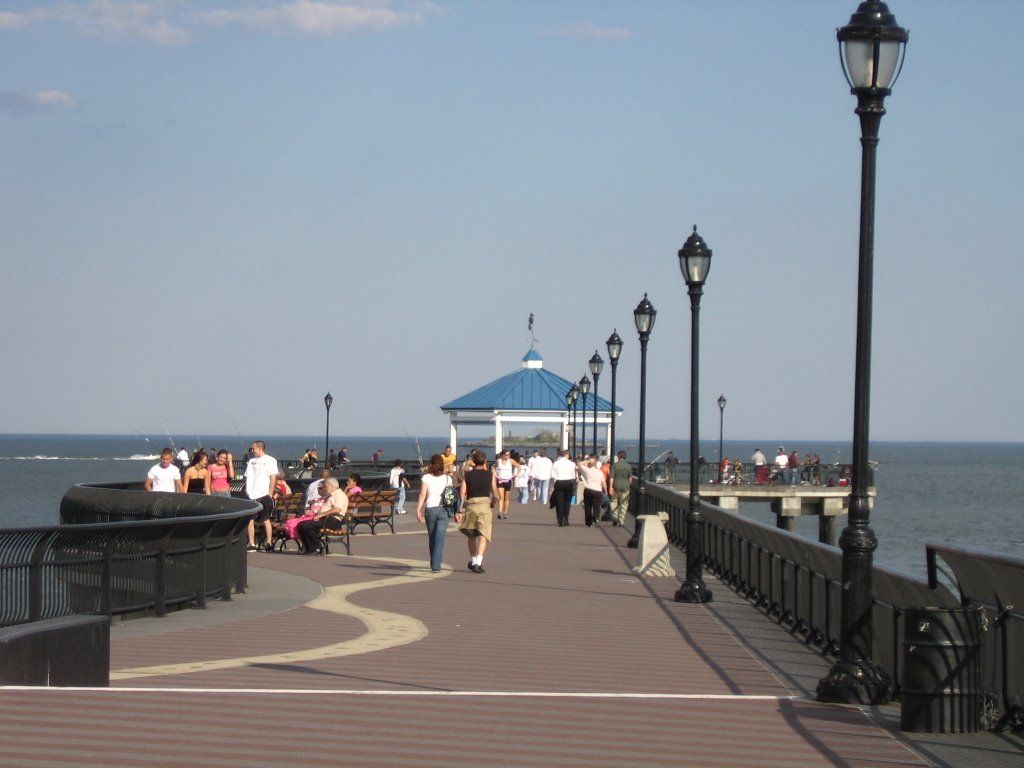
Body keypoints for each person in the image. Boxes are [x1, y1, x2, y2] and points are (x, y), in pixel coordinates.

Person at [457, 450, 496, 573]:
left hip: (471, 506)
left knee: (471, 535)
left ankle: (473, 560)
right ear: (485, 461)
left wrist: (460, 510)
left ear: (473, 462)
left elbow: (462, 493)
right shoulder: (490, 475)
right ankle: (479, 562)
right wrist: (493, 502)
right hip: (485, 506)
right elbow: (495, 492)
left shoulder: (467, 475)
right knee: (484, 535)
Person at [416, 454, 454, 573]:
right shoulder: (448, 478)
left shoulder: (426, 478)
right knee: (439, 538)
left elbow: (423, 494)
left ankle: (434, 563)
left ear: (431, 464)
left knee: (432, 537)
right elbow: (451, 495)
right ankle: (436, 565)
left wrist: (418, 509)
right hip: (444, 509)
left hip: (430, 509)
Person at [296, 477, 349, 555]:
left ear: (331, 486)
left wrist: (321, 514)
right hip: (326, 519)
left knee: (305, 526)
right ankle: (310, 548)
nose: (325, 488)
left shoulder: (339, 495)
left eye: (326, 486)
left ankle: (316, 547)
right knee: (301, 525)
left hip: (333, 521)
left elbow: (337, 509)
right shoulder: (331, 495)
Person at [244, 440, 279, 552]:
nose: (252, 450)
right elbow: (247, 476)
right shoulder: (251, 461)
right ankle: (252, 542)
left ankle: (269, 542)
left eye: (253, 448)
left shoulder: (270, 460)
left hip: (264, 493)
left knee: (266, 518)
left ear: (259, 448)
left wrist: (270, 493)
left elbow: (273, 477)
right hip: (251, 494)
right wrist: (247, 490)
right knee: (250, 519)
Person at [577, 454, 607, 527]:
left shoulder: (587, 470)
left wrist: (587, 461)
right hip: (597, 491)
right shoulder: (600, 472)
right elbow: (603, 482)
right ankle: (595, 517)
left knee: (588, 507)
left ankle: (588, 523)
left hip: (588, 490)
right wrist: (605, 491)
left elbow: (579, 464)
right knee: (597, 507)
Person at [550, 448, 577, 527]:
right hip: (569, 482)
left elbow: (552, 475)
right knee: (567, 501)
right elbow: (574, 475)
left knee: (559, 502)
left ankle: (560, 520)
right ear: (567, 455)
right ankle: (566, 518)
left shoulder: (556, 463)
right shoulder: (572, 464)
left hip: (559, 482)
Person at [492, 449, 518, 520]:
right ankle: (500, 513)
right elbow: (494, 468)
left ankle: (505, 513)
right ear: (502, 455)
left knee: (506, 498)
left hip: (508, 481)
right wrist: (495, 475)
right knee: (501, 497)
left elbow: (518, 466)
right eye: (506, 455)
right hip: (500, 481)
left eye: (509, 455)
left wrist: (516, 474)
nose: (508, 456)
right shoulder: (498, 461)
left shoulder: (511, 461)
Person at [609, 450, 632, 526]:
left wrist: (610, 487)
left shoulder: (615, 465)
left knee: (614, 502)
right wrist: (628, 485)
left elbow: (611, 477)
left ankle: (615, 517)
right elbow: (630, 479)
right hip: (625, 487)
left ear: (618, 456)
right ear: (625, 457)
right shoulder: (628, 466)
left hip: (616, 486)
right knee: (624, 504)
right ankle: (621, 521)